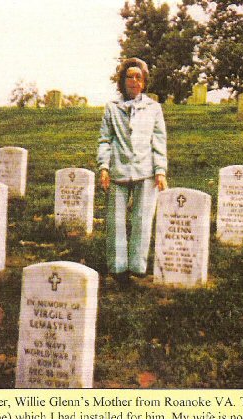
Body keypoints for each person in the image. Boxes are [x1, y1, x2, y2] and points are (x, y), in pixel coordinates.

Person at [97, 57, 167, 282]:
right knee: (116, 221)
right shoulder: (112, 108)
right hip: (118, 170)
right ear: (122, 80)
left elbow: (158, 140)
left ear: (144, 82)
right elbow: (105, 140)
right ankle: (117, 269)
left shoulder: (153, 108)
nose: (134, 81)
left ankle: (137, 268)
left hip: (145, 171)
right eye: (129, 77)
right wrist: (104, 168)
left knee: (142, 219)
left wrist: (160, 170)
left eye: (139, 77)